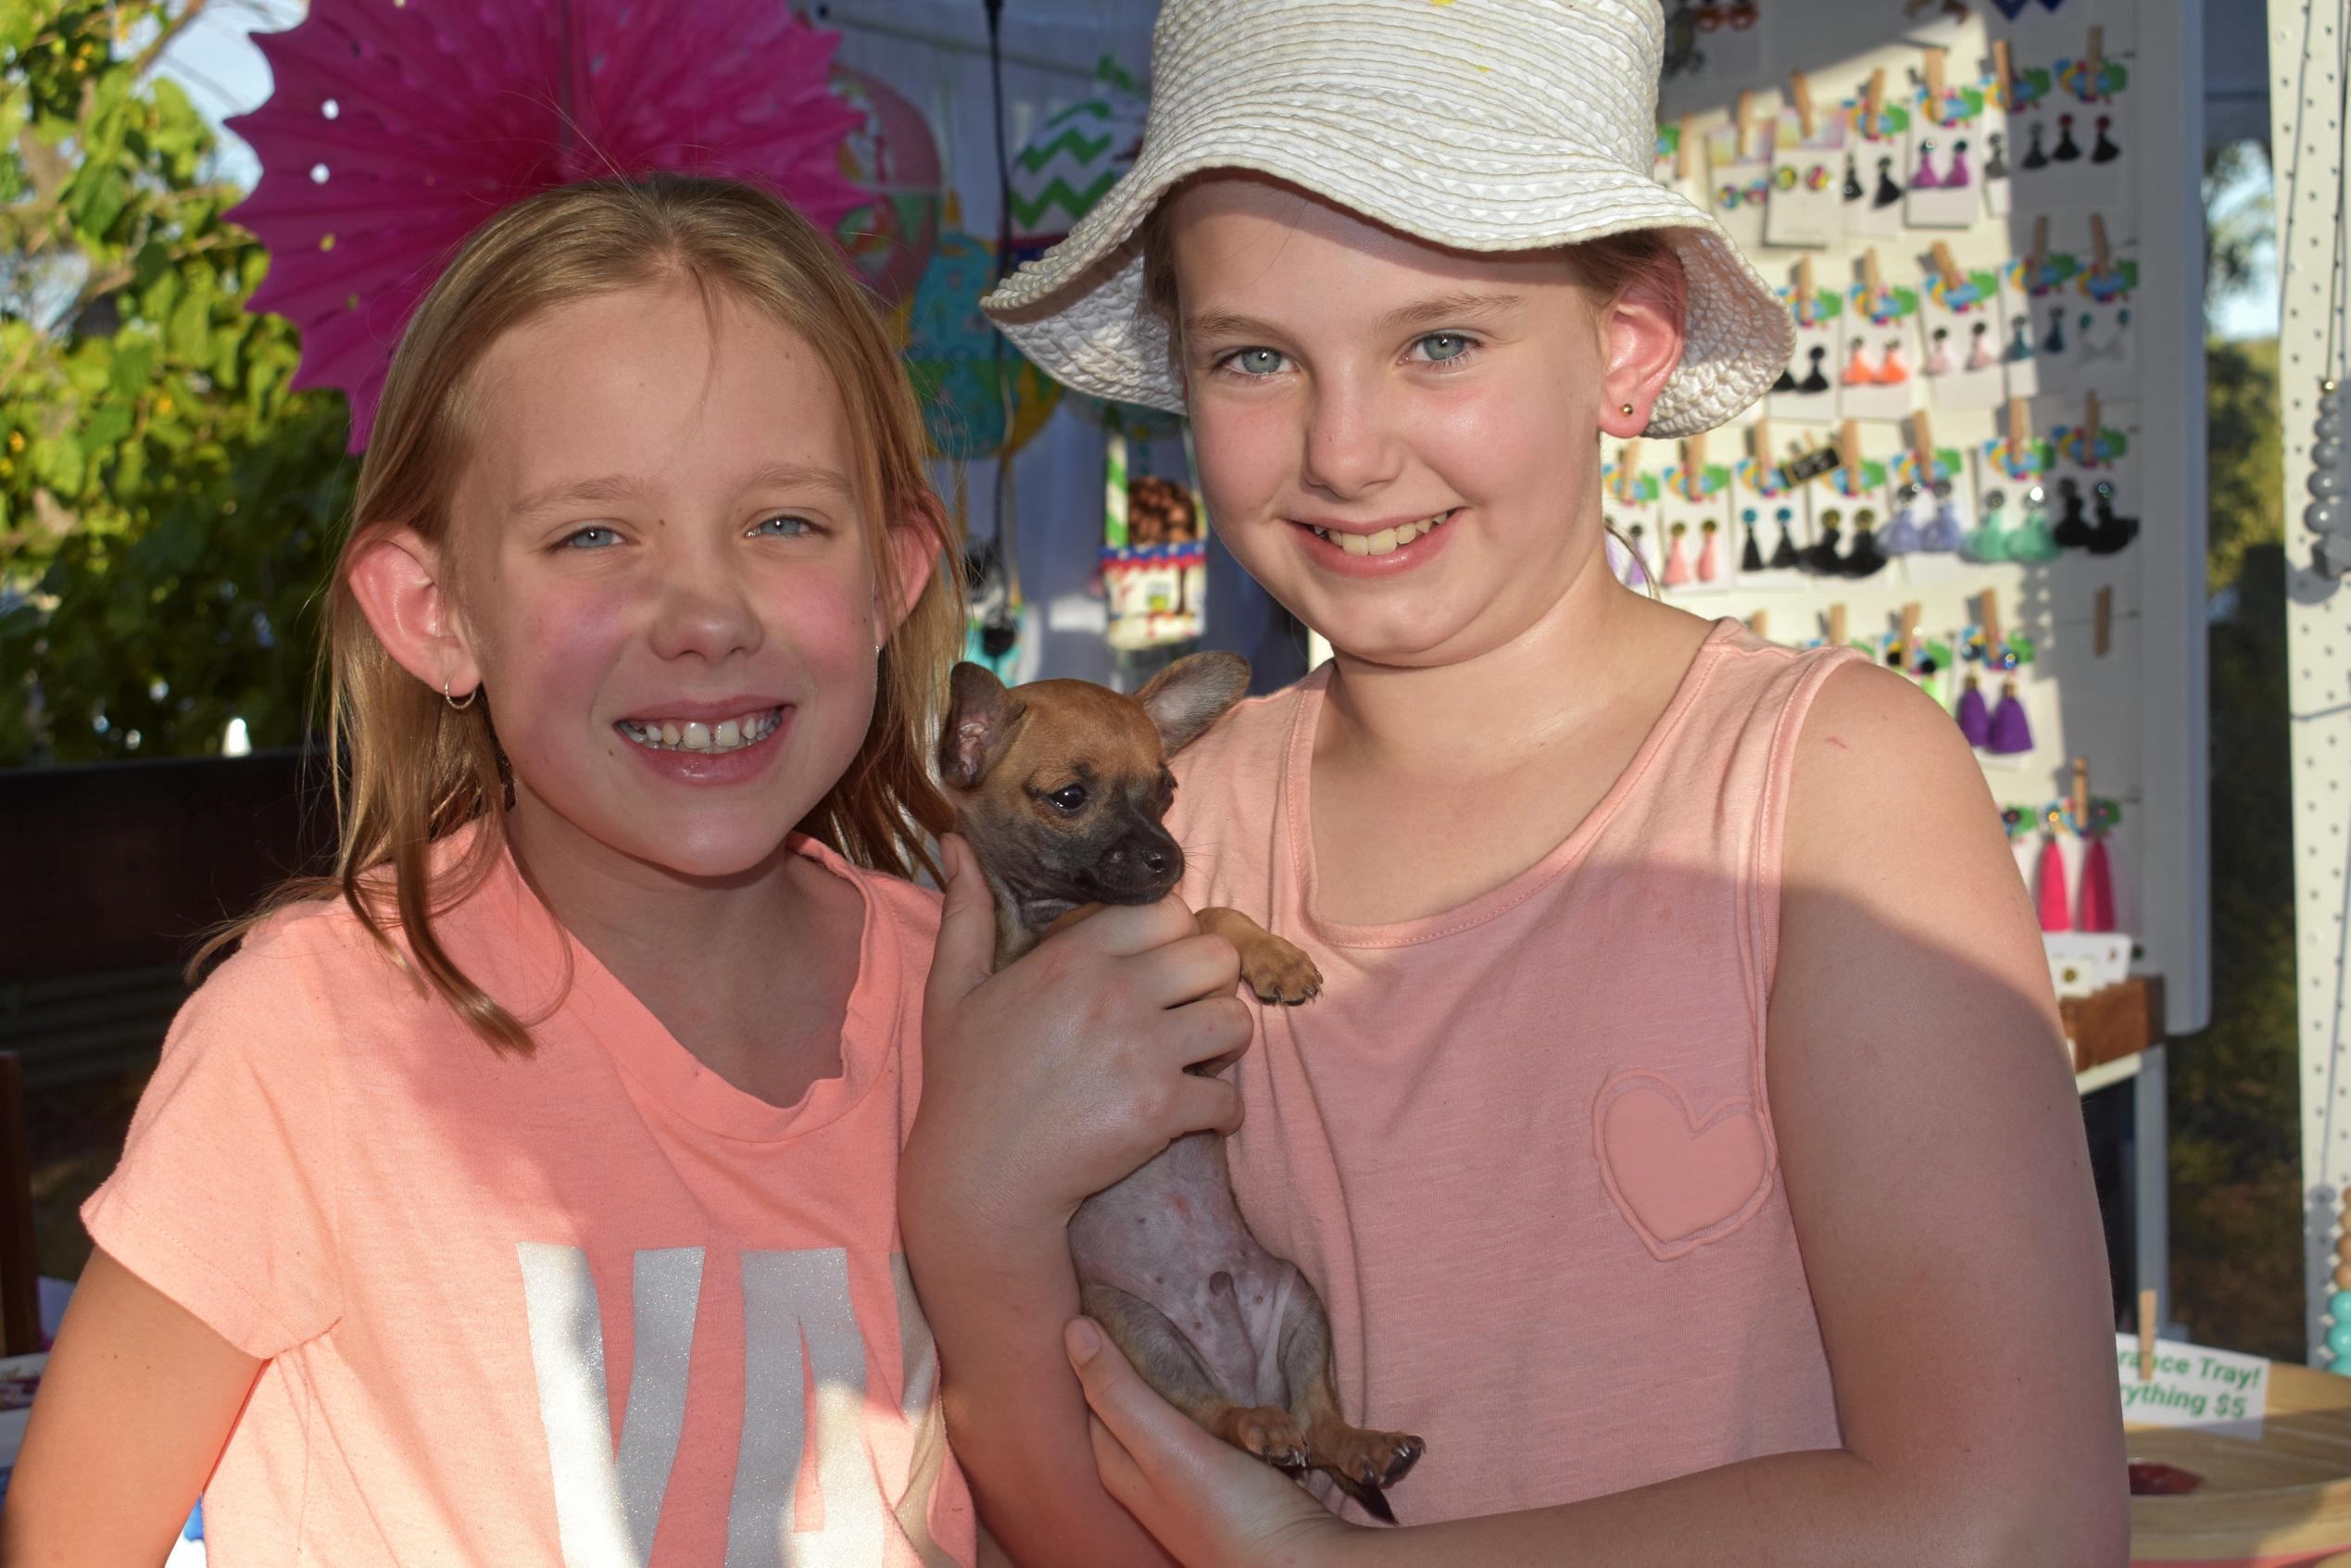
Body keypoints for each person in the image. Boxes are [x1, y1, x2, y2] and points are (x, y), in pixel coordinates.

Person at [902, 1, 2127, 1563]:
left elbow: (2014, 1520)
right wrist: (967, 1209)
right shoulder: (1163, 823)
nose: (1345, 450)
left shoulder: (1824, 788)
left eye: (1439, 341)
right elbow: (1069, 1494)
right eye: (1257, 356)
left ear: (1625, 347)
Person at [4, 175, 977, 1567]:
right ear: (434, 610)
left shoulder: (983, 1010)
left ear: (889, 579)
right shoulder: (315, 1040)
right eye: (594, 534)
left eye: (782, 523)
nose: (704, 613)